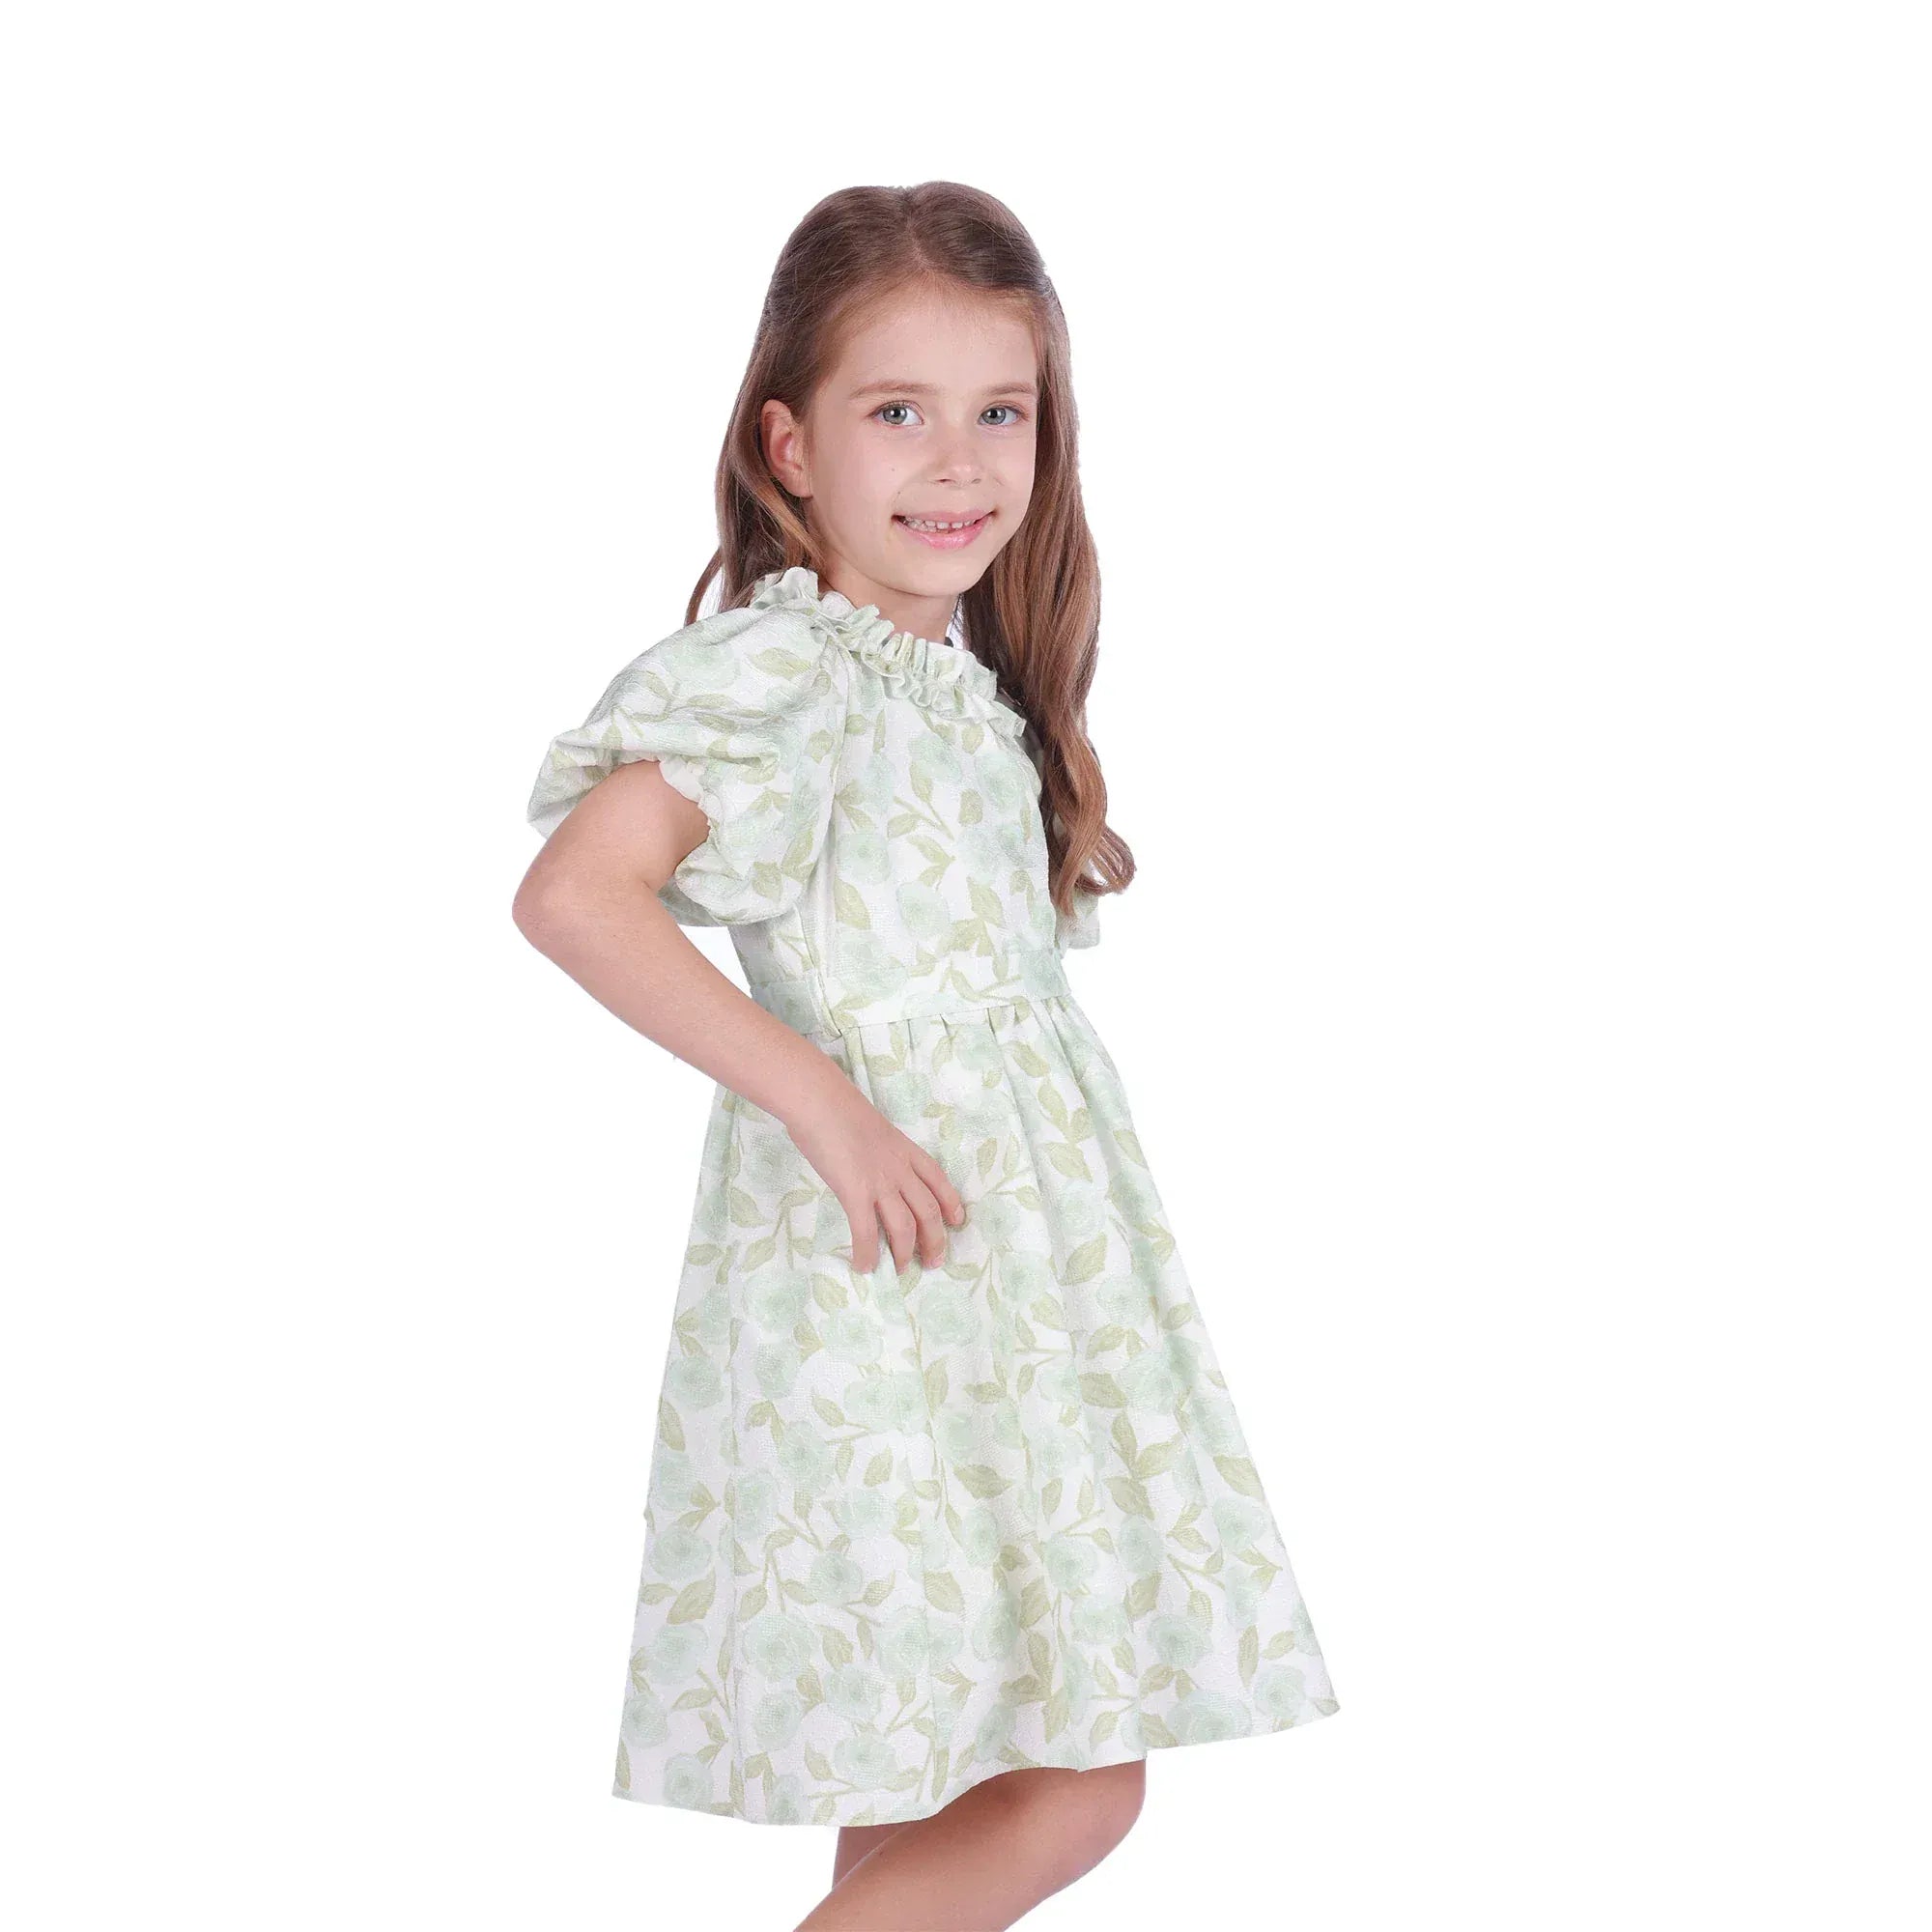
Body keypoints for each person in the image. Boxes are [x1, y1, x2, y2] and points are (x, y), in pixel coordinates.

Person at [512, 180, 1339, 1932]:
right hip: (888, 1290)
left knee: (935, 1777)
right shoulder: (789, 671)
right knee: (1074, 1786)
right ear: (790, 447)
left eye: (1000, 413)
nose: (958, 462)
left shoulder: (951, 689)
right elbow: (578, 896)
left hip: (1007, 1303)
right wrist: (825, 1102)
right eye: (899, 411)